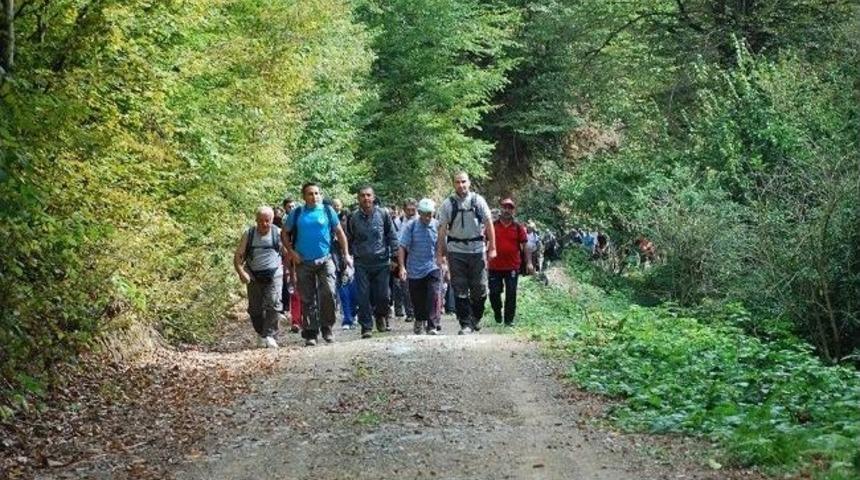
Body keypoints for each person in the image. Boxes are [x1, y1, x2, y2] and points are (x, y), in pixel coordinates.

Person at [283, 183, 352, 346]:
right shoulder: (297, 213)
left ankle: (327, 327)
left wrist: (346, 254)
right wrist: (291, 252)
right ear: (304, 196)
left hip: (325, 259)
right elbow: (284, 233)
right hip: (303, 262)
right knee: (307, 298)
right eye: (310, 194)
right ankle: (311, 332)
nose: (314, 197)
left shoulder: (328, 211)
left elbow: (340, 233)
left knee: (328, 292)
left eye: (316, 193)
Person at [436, 172, 496, 335]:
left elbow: (489, 223)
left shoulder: (478, 201)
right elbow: (442, 230)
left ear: (469, 183)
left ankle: (475, 317)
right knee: (459, 288)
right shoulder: (448, 204)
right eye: (457, 182)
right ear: (453, 184)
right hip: (456, 251)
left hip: (477, 250)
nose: (461, 185)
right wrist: (440, 254)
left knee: (480, 288)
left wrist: (492, 247)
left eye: (463, 182)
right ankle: (465, 323)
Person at [347, 185, 400, 338]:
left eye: (368, 195)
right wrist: (348, 257)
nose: (366, 198)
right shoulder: (353, 217)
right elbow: (349, 238)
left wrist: (395, 258)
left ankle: (380, 315)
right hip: (361, 263)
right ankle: (366, 327)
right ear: (358, 198)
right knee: (363, 296)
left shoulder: (383, 214)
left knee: (383, 295)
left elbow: (392, 235)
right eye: (363, 196)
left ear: (373, 197)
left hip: (382, 261)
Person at [234, 206, 284, 348]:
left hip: (274, 274)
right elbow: (238, 257)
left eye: (267, 221)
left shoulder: (278, 233)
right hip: (253, 275)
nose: (264, 224)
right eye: (261, 221)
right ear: (256, 220)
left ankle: (269, 335)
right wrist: (241, 272)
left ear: (272, 220)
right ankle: (262, 333)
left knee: (274, 304)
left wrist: (291, 274)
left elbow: (287, 253)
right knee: (255, 309)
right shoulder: (248, 234)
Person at [398, 198, 442, 335]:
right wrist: (401, 267)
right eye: (425, 214)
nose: (428, 217)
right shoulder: (411, 226)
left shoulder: (437, 226)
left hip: (432, 266)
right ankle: (419, 319)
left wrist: (443, 261)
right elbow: (402, 246)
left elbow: (442, 245)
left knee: (434, 295)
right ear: (420, 213)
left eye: (430, 214)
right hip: (415, 269)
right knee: (418, 299)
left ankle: (432, 325)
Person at [488, 198, 533, 326]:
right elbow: (483, 241)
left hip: (512, 266)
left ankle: (509, 320)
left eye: (510, 208)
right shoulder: (493, 226)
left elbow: (526, 246)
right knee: (494, 292)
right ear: (501, 209)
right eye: (505, 207)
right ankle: (497, 311)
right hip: (494, 266)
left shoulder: (518, 227)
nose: (507, 210)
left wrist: (529, 262)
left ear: (513, 210)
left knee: (511, 293)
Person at [332, 198, 357, 330]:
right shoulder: (333, 235)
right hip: (340, 263)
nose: (342, 222)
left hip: (356, 261)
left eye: (344, 219)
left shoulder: (355, 232)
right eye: (340, 220)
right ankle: (347, 318)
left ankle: (354, 314)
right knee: (344, 290)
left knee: (355, 291)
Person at [393, 198, 418, 322]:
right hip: (402, 254)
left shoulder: (420, 221)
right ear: (404, 210)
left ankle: (419, 310)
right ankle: (410, 312)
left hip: (417, 254)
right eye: (408, 210)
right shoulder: (398, 222)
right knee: (404, 284)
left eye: (413, 209)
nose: (411, 212)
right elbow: (394, 239)